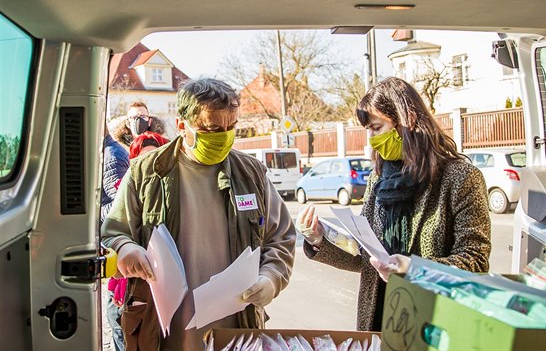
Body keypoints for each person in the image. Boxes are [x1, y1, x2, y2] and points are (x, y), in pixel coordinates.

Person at [101, 78, 296, 351]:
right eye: (212, 129)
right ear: (183, 126)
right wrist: (125, 248)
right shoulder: (146, 171)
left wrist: (272, 277)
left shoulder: (251, 174)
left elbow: (282, 237)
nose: (223, 136)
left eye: (231, 128)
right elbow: (114, 230)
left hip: (236, 333)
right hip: (163, 334)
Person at [296, 77, 491, 332]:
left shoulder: (461, 178)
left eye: (377, 128)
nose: (372, 140)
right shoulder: (380, 178)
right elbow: (367, 258)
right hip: (379, 321)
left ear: (407, 120)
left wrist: (414, 269)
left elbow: (476, 263)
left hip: (433, 324)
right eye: (369, 131)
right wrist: (320, 240)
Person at [105, 131, 170, 348]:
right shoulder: (129, 185)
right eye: (143, 157)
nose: (149, 163)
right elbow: (114, 232)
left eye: (154, 156)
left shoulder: (171, 190)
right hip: (132, 290)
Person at [101, 125, 130, 351]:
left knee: (117, 318)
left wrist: (90, 212)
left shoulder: (112, 156)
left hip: (119, 253)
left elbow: (118, 206)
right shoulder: (107, 153)